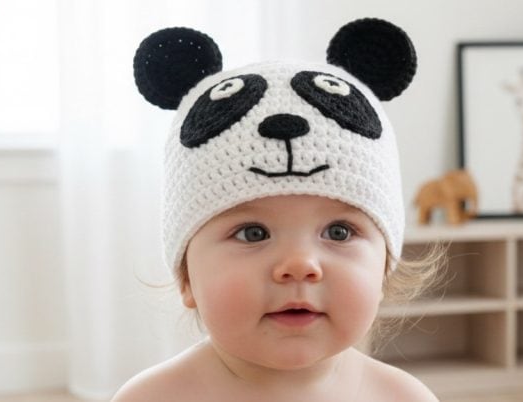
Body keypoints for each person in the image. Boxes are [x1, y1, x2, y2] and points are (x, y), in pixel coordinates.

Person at [113, 17, 443, 402]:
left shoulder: (403, 397)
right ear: (187, 279)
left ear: (384, 269)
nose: (301, 264)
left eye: (339, 231)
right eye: (253, 232)